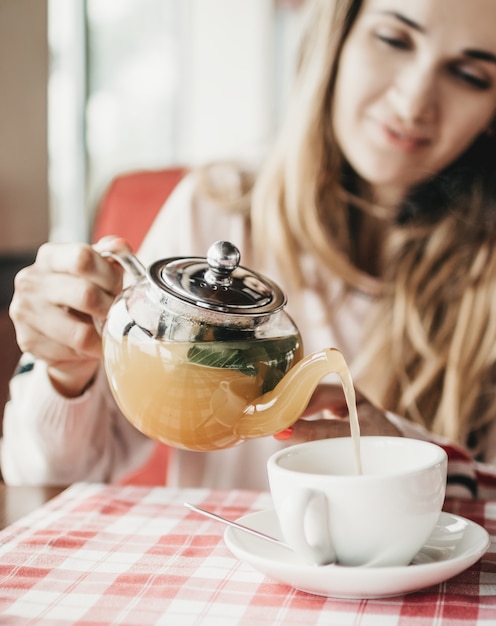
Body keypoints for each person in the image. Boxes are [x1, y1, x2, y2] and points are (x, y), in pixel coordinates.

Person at [3, 0, 496, 497]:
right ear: (336, 37)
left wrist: (413, 460)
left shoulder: (486, 280)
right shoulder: (218, 208)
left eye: (471, 74)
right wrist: (67, 372)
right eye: (393, 39)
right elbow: (44, 477)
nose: (414, 102)